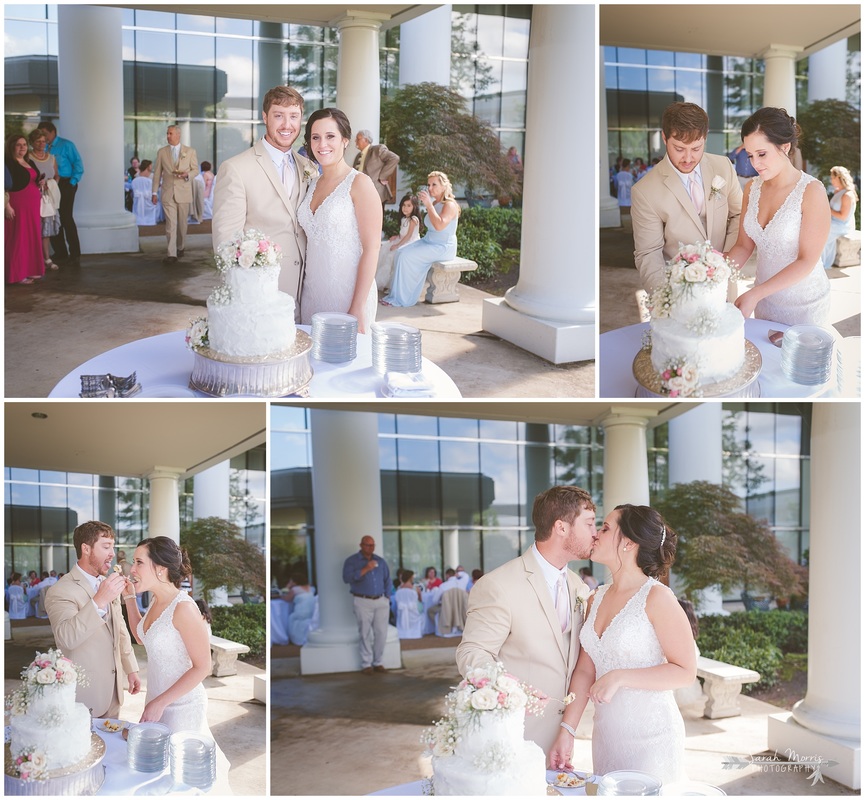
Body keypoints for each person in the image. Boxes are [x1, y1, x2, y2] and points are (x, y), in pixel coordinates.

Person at [549, 505, 695, 784]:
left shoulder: (657, 597)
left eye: (604, 528)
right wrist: (567, 729)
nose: (595, 535)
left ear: (628, 542)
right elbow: (584, 672)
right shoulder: (596, 598)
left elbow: (685, 671)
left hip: (653, 739)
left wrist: (620, 676)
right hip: (606, 738)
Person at [456, 485, 597, 754]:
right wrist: (510, 689)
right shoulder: (498, 585)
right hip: (512, 737)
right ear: (561, 527)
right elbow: (473, 652)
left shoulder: (577, 585)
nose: (595, 533)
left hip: (560, 739)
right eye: (589, 523)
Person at [728, 108, 831, 325]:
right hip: (765, 303)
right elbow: (743, 247)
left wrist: (755, 293)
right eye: (750, 155)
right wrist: (712, 275)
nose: (755, 164)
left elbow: (807, 261)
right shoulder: (751, 189)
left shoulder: (812, 191)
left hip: (804, 307)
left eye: (762, 154)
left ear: (784, 147)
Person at [213, 86, 314, 306]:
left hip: (307, 291)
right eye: (278, 116)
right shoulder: (235, 168)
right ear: (265, 117)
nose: (287, 125)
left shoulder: (308, 167)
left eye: (293, 117)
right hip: (260, 295)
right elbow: (226, 244)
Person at [631, 102, 742, 294]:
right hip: (678, 292)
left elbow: (740, 214)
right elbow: (649, 253)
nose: (688, 158)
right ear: (665, 138)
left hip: (725, 287)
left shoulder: (723, 166)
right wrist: (664, 299)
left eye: (696, 148)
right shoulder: (644, 191)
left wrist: (726, 262)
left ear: (705, 139)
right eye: (680, 148)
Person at [44, 521, 141, 718]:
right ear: (86, 549)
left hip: (114, 694)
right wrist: (99, 601)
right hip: (83, 697)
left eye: (113, 547)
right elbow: (66, 638)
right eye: (106, 547)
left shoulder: (107, 583)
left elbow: (119, 630)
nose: (113, 553)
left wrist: (131, 669)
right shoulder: (60, 590)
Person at [297, 108, 381, 332]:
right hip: (312, 293)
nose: (322, 144)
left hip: (348, 296)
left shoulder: (360, 184)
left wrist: (358, 307)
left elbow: (372, 249)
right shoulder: (311, 184)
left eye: (330, 136)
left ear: (345, 140)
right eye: (316, 137)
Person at [121, 536, 212, 731]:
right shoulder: (156, 600)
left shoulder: (183, 608)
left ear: (161, 568)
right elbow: (140, 636)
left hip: (182, 707)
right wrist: (129, 597)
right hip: (155, 699)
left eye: (139, 562)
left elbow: (203, 667)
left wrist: (161, 702)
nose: (132, 569)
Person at [381, 171, 460, 307]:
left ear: (444, 186)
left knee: (407, 256)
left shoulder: (450, 205)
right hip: (428, 241)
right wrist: (430, 204)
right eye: (428, 185)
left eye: (434, 184)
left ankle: (403, 299)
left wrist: (428, 205)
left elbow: (439, 225)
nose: (430, 188)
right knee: (400, 252)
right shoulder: (435, 203)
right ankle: (396, 294)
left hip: (442, 246)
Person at [342, 535, 391, 675]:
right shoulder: (352, 561)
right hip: (362, 600)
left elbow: (387, 579)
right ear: (361, 545)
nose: (371, 548)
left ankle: (378, 662)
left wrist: (387, 596)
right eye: (368, 545)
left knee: (381, 632)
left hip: (381, 600)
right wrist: (365, 569)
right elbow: (347, 578)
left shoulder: (380, 561)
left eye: (373, 545)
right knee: (364, 632)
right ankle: (366, 664)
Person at [151, 124, 198, 265]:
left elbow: (195, 170)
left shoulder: (190, 151)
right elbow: (157, 173)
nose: (168, 136)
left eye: (170, 133)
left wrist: (187, 175)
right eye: (167, 133)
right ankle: (171, 254)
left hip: (183, 192)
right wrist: (154, 192)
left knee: (182, 224)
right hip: (167, 192)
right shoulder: (161, 152)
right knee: (171, 224)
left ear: (178, 135)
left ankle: (180, 246)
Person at [39, 121, 83, 268]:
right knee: (52, 217)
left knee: (66, 217)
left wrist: (72, 182)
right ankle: (60, 252)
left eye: (45, 133)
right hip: (50, 184)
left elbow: (78, 165)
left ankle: (75, 254)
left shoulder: (66, 145)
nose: (43, 137)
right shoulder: (42, 146)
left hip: (66, 183)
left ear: (53, 132)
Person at [5, 134, 45, 285]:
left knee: (32, 236)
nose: (22, 147)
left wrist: (40, 181)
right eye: (18, 145)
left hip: (32, 205)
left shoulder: (30, 161)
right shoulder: (7, 163)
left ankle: (32, 269)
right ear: (11, 146)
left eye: (24, 144)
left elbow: (33, 179)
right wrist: (6, 206)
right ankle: (18, 273)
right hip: (17, 205)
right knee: (18, 238)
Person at [28, 128, 61, 271]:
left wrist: (52, 185)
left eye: (43, 141)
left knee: (46, 229)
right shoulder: (28, 158)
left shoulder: (51, 157)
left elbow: (57, 175)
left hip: (48, 197)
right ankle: (33, 258)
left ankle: (47, 258)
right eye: (38, 141)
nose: (41, 144)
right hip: (33, 196)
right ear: (32, 143)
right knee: (33, 228)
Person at [375, 193, 421, 290]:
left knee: (393, 254)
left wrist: (397, 245)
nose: (405, 208)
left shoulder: (413, 219)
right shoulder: (404, 218)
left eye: (409, 206)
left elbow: (409, 236)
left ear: (414, 207)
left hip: (410, 242)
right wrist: (396, 237)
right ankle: (386, 282)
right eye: (404, 205)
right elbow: (403, 233)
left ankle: (393, 284)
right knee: (386, 247)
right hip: (403, 239)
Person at [821, 165, 858, 269]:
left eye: (833, 177)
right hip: (833, 223)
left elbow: (843, 217)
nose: (831, 180)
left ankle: (821, 263)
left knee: (821, 233)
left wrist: (828, 209)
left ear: (840, 178)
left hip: (842, 226)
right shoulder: (838, 192)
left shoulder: (847, 195)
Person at [353, 129, 400, 208]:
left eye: (358, 139)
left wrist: (383, 176)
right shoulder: (358, 156)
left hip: (376, 193)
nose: (355, 141)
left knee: (375, 220)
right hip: (361, 195)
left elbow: (394, 158)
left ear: (366, 140)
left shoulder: (377, 150)